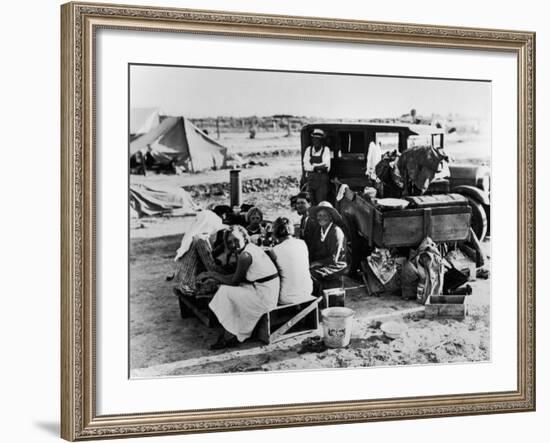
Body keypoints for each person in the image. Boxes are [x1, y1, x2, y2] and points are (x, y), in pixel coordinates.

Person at [205, 225, 280, 349]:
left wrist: (212, 274)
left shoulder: (245, 255)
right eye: (229, 242)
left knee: (224, 291)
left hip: (265, 297)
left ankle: (231, 335)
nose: (233, 244)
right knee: (230, 288)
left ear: (244, 237)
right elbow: (237, 277)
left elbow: (234, 281)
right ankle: (233, 330)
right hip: (264, 290)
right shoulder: (251, 248)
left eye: (236, 240)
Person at [267, 217, 313, 305]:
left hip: (287, 297)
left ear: (275, 232)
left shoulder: (275, 250)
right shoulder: (302, 243)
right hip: (307, 291)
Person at [308, 201, 348, 292]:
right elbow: (313, 249)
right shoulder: (318, 229)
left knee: (312, 274)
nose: (322, 218)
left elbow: (334, 259)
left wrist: (316, 263)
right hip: (322, 263)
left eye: (325, 215)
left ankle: (318, 299)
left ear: (331, 217)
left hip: (336, 265)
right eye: (319, 215)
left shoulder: (336, 232)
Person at [303, 128, 331, 205]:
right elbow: (306, 166)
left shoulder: (326, 150)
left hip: (322, 181)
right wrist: (317, 167)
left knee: (321, 203)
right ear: (312, 140)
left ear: (322, 141)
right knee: (310, 202)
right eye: (314, 139)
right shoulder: (308, 150)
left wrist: (312, 167)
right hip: (311, 180)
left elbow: (326, 166)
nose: (316, 141)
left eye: (318, 139)